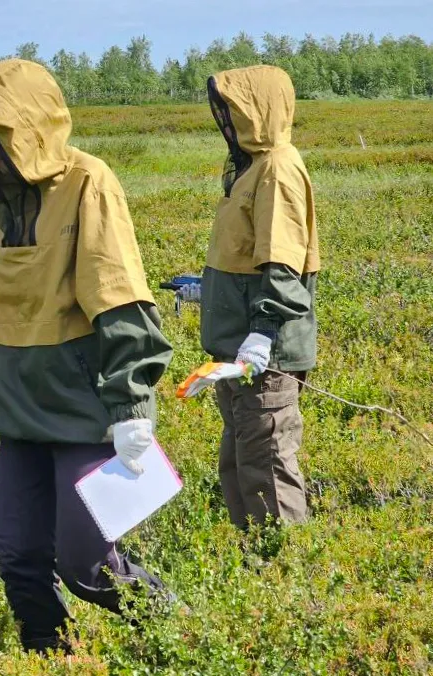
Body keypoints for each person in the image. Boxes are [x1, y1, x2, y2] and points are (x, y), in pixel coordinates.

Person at [0, 59, 175, 654]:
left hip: (82, 411)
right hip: (20, 414)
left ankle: (174, 631)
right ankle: (48, 653)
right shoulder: (1, 210)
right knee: (17, 555)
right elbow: (2, 312)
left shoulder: (88, 182)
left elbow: (119, 295)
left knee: (86, 562)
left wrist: (131, 404)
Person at [199, 65, 318, 531]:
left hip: (263, 360)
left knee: (267, 468)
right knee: (241, 464)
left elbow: (283, 265)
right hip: (237, 353)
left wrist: (263, 332)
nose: (227, 121)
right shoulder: (253, 167)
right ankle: (254, 567)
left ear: (260, 110)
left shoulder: (277, 170)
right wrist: (205, 287)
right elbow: (248, 254)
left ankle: (283, 573)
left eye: (235, 110)